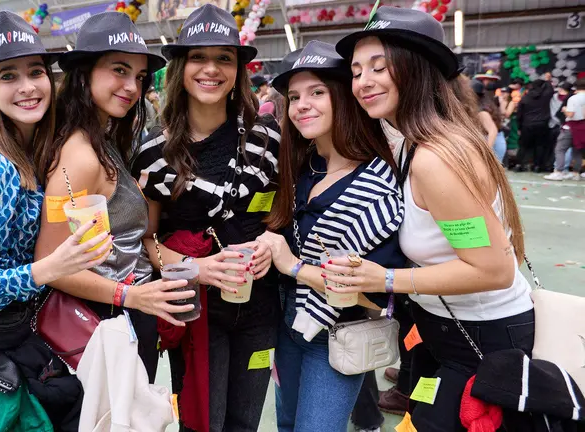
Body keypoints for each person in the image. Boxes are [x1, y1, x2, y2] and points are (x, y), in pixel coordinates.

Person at [334, 6, 534, 430]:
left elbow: (494, 269)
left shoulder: (436, 159)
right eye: (355, 71)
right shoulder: (412, 143)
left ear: (416, 69)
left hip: (484, 338)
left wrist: (384, 279)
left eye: (378, 67)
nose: (362, 82)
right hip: (442, 330)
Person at [0, 11, 112, 431]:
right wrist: (47, 269)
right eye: (8, 76)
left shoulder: (39, 150)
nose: (26, 87)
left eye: (35, 72)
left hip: (36, 342)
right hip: (3, 358)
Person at [131, 5, 278, 431]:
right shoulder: (153, 151)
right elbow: (147, 240)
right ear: (181, 67)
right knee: (202, 421)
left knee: (245, 420)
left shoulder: (267, 138)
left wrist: (271, 244)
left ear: (238, 70)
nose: (210, 69)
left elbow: (279, 217)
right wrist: (196, 267)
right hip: (195, 311)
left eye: (224, 59)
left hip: (259, 309)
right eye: (198, 57)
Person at [255, 40, 405, 432]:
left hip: (338, 331)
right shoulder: (303, 169)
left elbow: (379, 295)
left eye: (317, 92)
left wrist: (292, 265)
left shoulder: (377, 185)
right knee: (286, 424)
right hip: (288, 323)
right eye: (294, 96)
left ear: (342, 96)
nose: (302, 104)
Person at [33, 11, 192, 382]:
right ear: (85, 72)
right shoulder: (82, 156)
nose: (133, 87)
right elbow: (52, 264)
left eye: (138, 76)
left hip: (125, 316)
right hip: (110, 322)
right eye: (119, 70)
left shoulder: (100, 140)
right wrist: (131, 297)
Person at [545, 81, 582, 181]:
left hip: (571, 126)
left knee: (560, 149)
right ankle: (576, 173)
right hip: (582, 127)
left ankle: (558, 171)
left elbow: (570, 114)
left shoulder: (573, 98)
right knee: (577, 151)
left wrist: (565, 109)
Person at [516, 79, 554, 172]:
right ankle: (537, 166)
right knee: (540, 146)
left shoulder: (525, 98)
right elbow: (551, 89)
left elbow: (519, 114)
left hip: (527, 124)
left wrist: (519, 127)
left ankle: (519, 164)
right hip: (542, 124)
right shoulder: (545, 96)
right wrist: (547, 81)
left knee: (523, 146)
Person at [469, 79, 505, 161]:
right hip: (495, 141)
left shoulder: (482, 112)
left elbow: (493, 131)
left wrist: (486, 152)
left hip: (492, 143)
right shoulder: (485, 104)